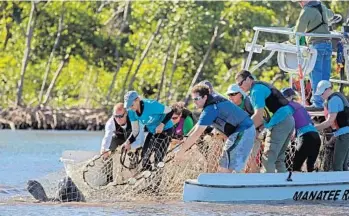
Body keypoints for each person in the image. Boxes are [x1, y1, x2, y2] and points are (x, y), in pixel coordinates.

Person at [175, 84, 256, 173]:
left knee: (228, 162)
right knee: (225, 162)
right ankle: (225, 181)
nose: (194, 102)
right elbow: (197, 127)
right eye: (193, 99)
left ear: (205, 97)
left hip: (243, 130)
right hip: (241, 131)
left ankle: (227, 183)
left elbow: (197, 133)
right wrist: (186, 139)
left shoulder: (210, 109)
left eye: (196, 99)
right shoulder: (212, 102)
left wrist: (181, 152)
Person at [235, 70, 295, 173]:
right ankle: (284, 186)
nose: (240, 87)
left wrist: (242, 131)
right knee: (278, 159)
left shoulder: (255, 91)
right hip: (288, 120)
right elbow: (263, 116)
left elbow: (258, 116)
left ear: (249, 79)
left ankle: (270, 187)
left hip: (279, 122)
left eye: (241, 83)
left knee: (268, 159)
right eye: (238, 85)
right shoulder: (260, 87)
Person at [293, 0, 334, 108]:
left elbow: (297, 32)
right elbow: (331, 15)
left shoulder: (306, 11)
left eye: (300, 1)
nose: (300, 4)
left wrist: (291, 40)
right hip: (328, 45)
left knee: (315, 75)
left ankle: (317, 103)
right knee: (325, 75)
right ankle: (326, 101)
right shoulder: (322, 6)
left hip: (316, 46)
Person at [123, 91, 174, 171]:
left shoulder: (151, 105)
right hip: (152, 132)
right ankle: (150, 179)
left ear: (137, 100)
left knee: (158, 158)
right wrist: (128, 141)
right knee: (144, 158)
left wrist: (162, 124)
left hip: (166, 130)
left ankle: (158, 180)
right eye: (128, 106)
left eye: (131, 105)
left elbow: (171, 111)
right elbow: (135, 131)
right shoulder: (131, 112)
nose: (130, 108)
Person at [281, 88, 321, 172]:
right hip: (316, 136)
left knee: (296, 167)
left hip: (306, 137)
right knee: (310, 167)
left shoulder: (287, 107)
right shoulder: (301, 106)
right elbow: (307, 122)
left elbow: (288, 123)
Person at [314, 80, 349, 171]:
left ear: (327, 90)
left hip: (344, 135)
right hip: (345, 133)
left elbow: (330, 121)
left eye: (322, 93)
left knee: (337, 166)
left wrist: (314, 128)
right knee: (344, 165)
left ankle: (340, 185)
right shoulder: (338, 97)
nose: (321, 96)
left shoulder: (333, 100)